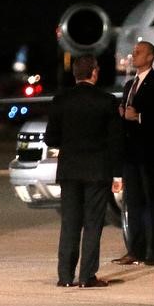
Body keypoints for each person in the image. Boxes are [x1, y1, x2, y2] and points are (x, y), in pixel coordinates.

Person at [45, 55, 123, 288]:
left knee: (70, 222)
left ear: (75, 74)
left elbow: (51, 138)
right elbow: (115, 140)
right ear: (95, 72)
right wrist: (117, 173)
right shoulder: (106, 101)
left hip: (69, 169)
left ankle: (65, 276)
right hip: (97, 169)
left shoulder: (61, 100)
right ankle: (87, 275)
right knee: (92, 223)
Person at [112, 41, 154, 266]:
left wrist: (138, 117)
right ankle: (135, 249)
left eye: (138, 53)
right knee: (133, 202)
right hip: (131, 153)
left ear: (150, 57)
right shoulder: (130, 85)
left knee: (153, 201)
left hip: (151, 153)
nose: (133, 55)